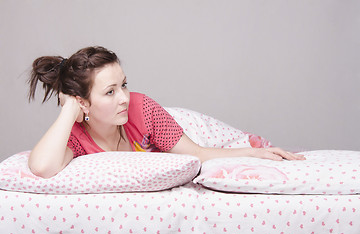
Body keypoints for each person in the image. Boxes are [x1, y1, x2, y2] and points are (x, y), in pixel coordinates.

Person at [28, 46, 305, 178]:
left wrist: (253, 153)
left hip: (177, 129)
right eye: (110, 92)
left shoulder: (141, 107)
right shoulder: (77, 137)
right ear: (84, 103)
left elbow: (197, 153)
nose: (125, 98)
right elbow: (42, 167)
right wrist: (68, 109)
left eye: (124, 85)